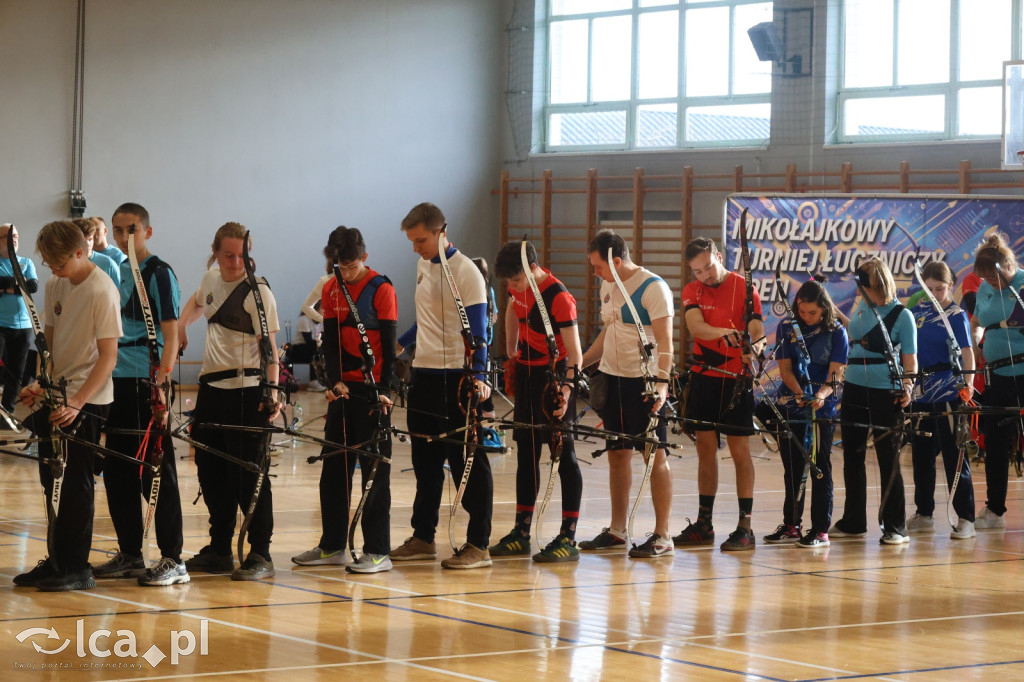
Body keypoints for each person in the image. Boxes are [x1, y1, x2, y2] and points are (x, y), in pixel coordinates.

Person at [12, 221, 121, 591]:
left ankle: (77, 567)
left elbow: (108, 358)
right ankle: (57, 559)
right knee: (51, 480)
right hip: (57, 395)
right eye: (49, 264)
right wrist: (40, 385)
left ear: (80, 251)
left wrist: (77, 401)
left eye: (58, 263)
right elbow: (50, 347)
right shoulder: (59, 283)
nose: (53, 271)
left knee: (75, 484)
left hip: (87, 399)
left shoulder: (102, 289)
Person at [390, 202, 494, 570]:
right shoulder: (422, 265)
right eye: (412, 241)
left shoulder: (466, 273)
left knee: (467, 461)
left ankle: (479, 545)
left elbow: (479, 333)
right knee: (425, 463)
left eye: (420, 240)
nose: (415, 248)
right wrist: (401, 344)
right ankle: (423, 537)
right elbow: (428, 319)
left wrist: (479, 378)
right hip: (424, 376)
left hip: (457, 379)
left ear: (440, 232)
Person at [92, 203, 190, 586]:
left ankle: (173, 558)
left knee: (155, 471)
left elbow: (169, 337)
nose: (123, 237)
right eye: (117, 230)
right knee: (117, 471)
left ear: (147, 232)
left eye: (131, 229)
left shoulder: (159, 273)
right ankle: (131, 553)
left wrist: (161, 387)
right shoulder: (114, 271)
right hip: (113, 381)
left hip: (145, 384)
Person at [178, 223, 282, 580]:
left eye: (243, 255)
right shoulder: (210, 279)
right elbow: (195, 305)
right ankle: (220, 549)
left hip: (246, 393)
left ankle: (260, 554)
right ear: (216, 252)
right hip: (210, 393)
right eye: (229, 255)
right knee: (210, 472)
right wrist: (180, 328)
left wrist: (272, 394)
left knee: (248, 475)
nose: (237, 262)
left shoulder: (258, 293)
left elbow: (270, 351)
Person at [292, 226, 397, 573]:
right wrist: (335, 381)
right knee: (334, 467)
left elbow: (390, 344)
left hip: (373, 391)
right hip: (343, 390)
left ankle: (378, 551)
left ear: (364, 258)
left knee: (373, 472)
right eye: (340, 266)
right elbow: (333, 340)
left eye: (352, 266)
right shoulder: (331, 286)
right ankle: (332, 546)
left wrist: (384, 390)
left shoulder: (381, 288)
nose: (346, 272)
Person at [578, 230, 675, 559]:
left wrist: (662, 383)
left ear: (616, 261)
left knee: (654, 458)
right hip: (613, 382)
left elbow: (666, 342)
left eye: (598, 267)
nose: (596, 274)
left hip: (645, 385)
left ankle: (663, 536)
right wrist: (578, 364)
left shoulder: (653, 288)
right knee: (617, 455)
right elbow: (610, 331)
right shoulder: (609, 284)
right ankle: (618, 530)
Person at [490, 240, 584, 562]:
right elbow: (511, 312)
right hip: (527, 373)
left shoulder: (559, 297)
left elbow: (575, 352)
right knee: (526, 455)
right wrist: (512, 353)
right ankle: (521, 532)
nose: (512, 286)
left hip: (554, 378)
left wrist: (567, 392)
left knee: (564, 455)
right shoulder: (518, 287)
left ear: (532, 269)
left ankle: (568, 537)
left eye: (516, 280)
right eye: (509, 283)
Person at [676, 236, 766, 551]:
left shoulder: (745, 289)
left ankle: (745, 526)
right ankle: (704, 523)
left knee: (740, 451)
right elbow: (696, 327)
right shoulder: (692, 291)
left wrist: (754, 348)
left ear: (717, 255)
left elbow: (757, 330)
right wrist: (724, 333)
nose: (705, 276)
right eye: (697, 271)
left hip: (737, 379)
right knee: (704, 448)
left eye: (708, 267)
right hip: (704, 377)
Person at [832, 257, 917, 544]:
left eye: (861, 282)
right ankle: (854, 521)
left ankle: (896, 526)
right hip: (854, 388)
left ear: (875, 284)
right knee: (852, 455)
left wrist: (907, 385)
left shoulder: (902, 316)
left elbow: (910, 360)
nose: (857, 288)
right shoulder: (861, 308)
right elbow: (855, 336)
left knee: (887, 458)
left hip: (886, 392)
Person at [764, 279, 848, 548]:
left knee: (819, 466)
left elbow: (836, 372)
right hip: (793, 402)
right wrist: (799, 393)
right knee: (792, 466)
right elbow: (785, 369)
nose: (806, 317)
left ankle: (821, 529)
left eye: (812, 313)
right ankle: (792, 524)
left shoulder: (836, 330)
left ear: (824, 308)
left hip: (822, 406)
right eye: (802, 311)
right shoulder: (787, 326)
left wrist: (821, 395)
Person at [906, 261, 976, 539]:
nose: (935, 293)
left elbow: (968, 352)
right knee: (921, 456)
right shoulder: (915, 313)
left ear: (951, 286)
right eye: (929, 289)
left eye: (940, 288)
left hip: (949, 390)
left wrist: (969, 384)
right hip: (921, 392)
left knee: (954, 455)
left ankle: (966, 518)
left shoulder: (956, 314)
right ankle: (924, 513)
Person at [971, 234, 1024, 528]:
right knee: (995, 441)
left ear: (1007, 265)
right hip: (996, 374)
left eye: (995, 277)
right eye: (986, 279)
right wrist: (978, 342)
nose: (991, 283)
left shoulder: (1023, 285)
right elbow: (977, 323)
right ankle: (994, 510)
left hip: (1023, 372)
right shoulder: (984, 289)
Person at [0, 224, 38, 429]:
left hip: (23, 325)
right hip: (0, 325)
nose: (12, 239)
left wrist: (5, 286)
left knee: (17, 371)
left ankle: (7, 413)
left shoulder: (26, 262)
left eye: (14, 235)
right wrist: (17, 284)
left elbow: (31, 287)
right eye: (6, 236)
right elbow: (20, 285)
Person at [72, 217, 120, 287]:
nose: (88, 244)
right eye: (83, 240)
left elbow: (119, 294)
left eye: (90, 239)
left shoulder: (108, 264)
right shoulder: (67, 264)